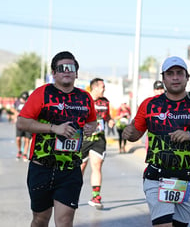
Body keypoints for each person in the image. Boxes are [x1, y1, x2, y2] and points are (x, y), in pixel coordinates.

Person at [122, 56, 190, 227]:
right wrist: (128, 133)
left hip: (187, 178)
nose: (175, 77)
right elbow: (135, 135)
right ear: (163, 78)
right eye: (170, 74)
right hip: (157, 176)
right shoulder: (150, 105)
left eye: (179, 73)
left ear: (187, 77)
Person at [16, 51, 97, 227]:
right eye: (62, 68)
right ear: (54, 73)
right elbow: (22, 122)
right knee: (40, 220)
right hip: (42, 168)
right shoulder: (42, 93)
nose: (67, 71)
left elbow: (92, 121)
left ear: (76, 72)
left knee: (65, 221)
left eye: (71, 67)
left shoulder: (85, 97)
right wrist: (54, 129)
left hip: (70, 169)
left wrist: (92, 127)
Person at [80, 78, 115, 210]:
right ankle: (73, 194)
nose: (104, 89)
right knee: (81, 167)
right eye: (102, 87)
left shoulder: (105, 102)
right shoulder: (83, 100)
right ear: (94, 88)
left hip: (98, 139)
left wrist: (110, 121)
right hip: (84, 139)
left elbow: (107, 117)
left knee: (97, 165)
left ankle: (96, 196)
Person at [14, 91, 32, 161]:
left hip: (28, 123)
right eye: (23, 99)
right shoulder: (17, 103)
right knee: (18, 138)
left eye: (25, 99)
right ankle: (19, 151)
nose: (24, 100)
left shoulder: (30, 103)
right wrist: (15, 116)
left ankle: (25, 154)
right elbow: (14, 109)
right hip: (19, 123)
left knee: (27, 139)